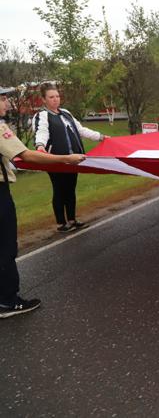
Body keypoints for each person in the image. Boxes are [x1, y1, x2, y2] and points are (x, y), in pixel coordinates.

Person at [1, 86, 86, 318]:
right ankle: (8, 301)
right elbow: (25, 154)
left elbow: (80, 130)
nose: (7, 103)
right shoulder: (1, 127)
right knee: (6, 247)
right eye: (3, 99)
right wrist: (64, 158)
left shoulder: (66, 113)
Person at [32, 83, 108, 232]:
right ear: (44, 100)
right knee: (59, 189)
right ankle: (61, 223)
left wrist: (101, 137)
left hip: (73, 159)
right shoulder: (42, 115)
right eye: (51, 97)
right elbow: (41, 132)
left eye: (57, 96)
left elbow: (81, 130)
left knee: (70, 189)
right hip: (56, 160)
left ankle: (72, 219)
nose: (55, 99)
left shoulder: (66, 112)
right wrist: (40, 146)